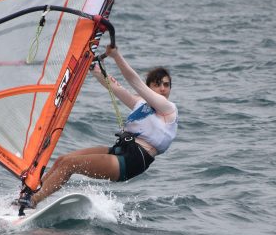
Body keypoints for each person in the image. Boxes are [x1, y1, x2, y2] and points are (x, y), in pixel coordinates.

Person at [17, 45, 178, 209]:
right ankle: (29, 194)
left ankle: (34, 201)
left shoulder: (168, 109)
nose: (163, 89)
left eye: (166, 85)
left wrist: (116, 56)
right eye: (158, 84)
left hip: (133, 161)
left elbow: (134, 82)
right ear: (150, 87)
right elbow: (115, 87)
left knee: (70, 165)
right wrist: (92, 66)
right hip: (121, 150)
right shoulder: (141, 104)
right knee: (62, 160)